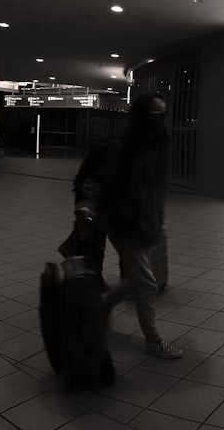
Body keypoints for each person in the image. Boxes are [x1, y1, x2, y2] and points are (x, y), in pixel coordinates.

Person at [75, 92, 182, 359]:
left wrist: (158, 219)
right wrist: (86, 204)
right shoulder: (123, 146)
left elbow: (157, 188)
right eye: (154, 114)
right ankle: (153, 341)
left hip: (146, 220)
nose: (159, 119)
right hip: (122, 219)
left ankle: (103, 306)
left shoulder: (159, 144)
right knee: (146, 282)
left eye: (163, 113)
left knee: (137, 279)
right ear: (142, 117)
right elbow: (98, 180)